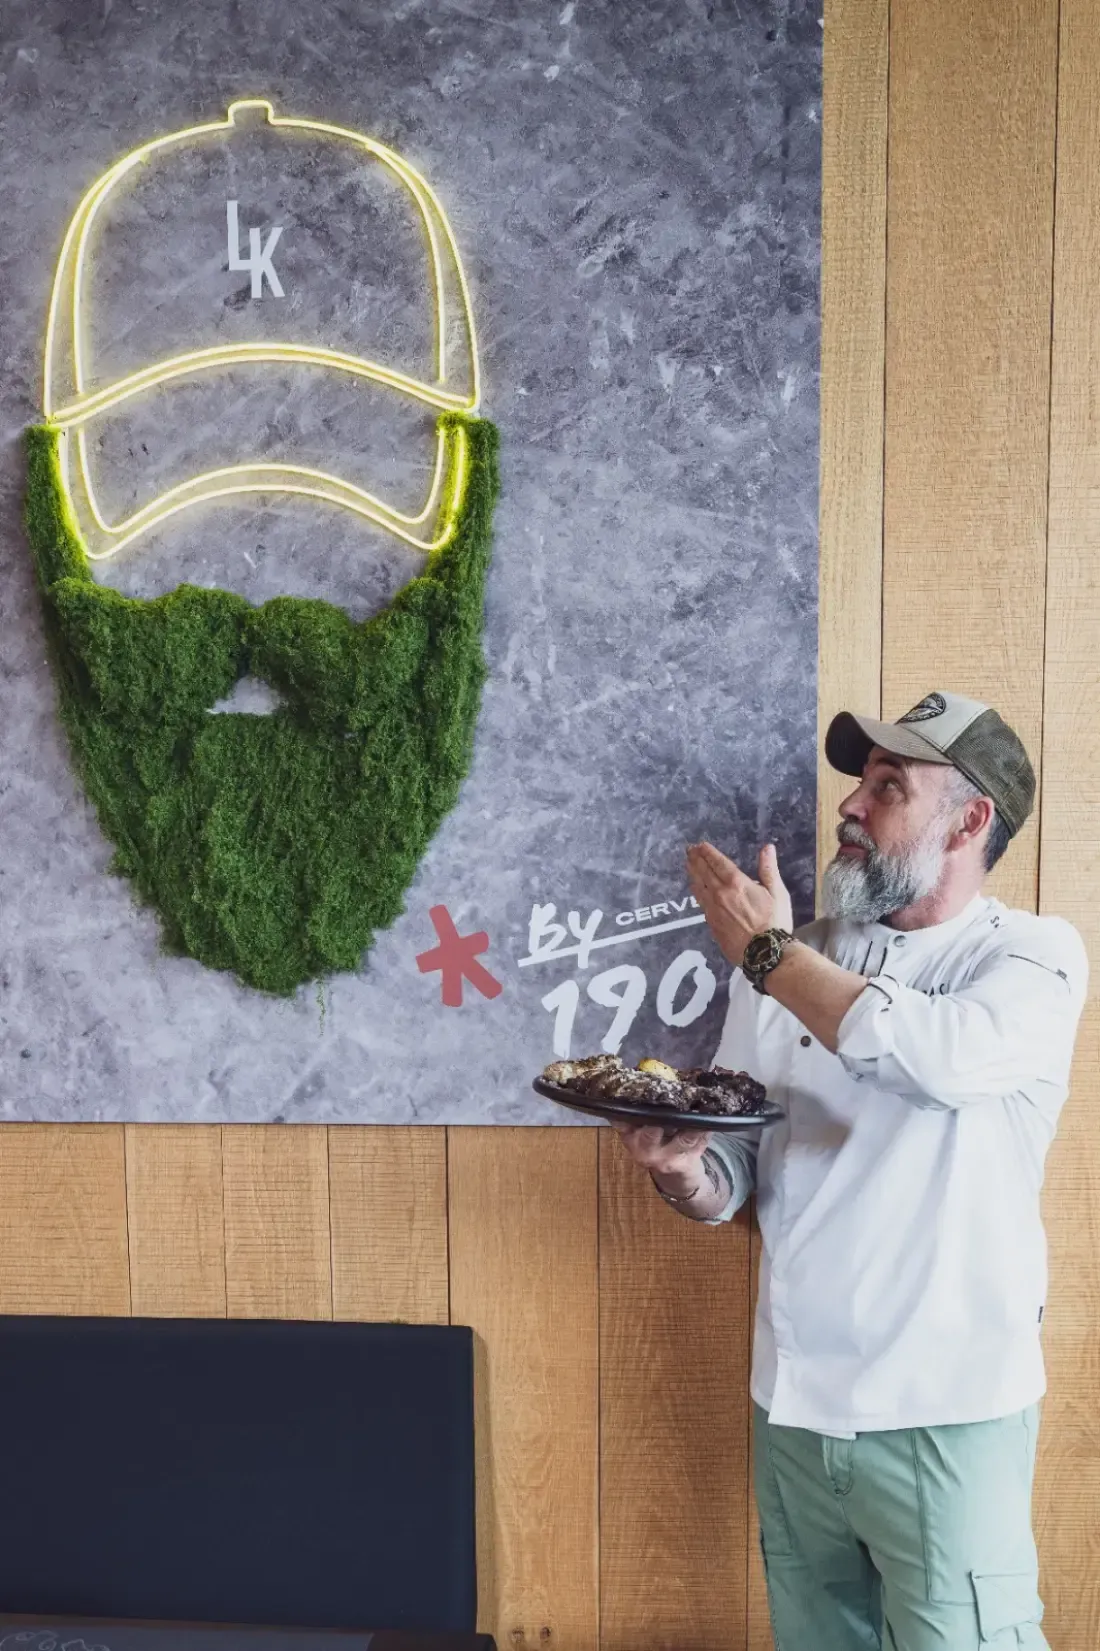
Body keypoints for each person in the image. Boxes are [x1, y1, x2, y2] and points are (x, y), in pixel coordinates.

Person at [615, 691, 1088, 1651]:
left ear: (970, 818)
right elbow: (743, 1164)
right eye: (857, 782)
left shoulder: (1034, 958)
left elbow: (933, 1057)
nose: (849, 807)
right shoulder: (801, 956)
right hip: (793, 1409)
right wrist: (684, 1170)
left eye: (887, 785)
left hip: (946, 1419)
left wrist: (764, 952)